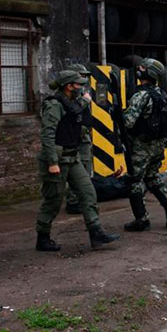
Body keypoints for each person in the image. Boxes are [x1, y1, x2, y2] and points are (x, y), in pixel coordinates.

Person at [35, 70, 120, 251]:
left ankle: (96, 233)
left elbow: (77, 117)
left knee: (88, 193)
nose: (82, 87)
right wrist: (52, 162)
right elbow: (47, 135)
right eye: (79, 84)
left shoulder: (74, 103)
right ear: (69, 86)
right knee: (53, 201)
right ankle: (43, 236)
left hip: (73, 157)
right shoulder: (54, 105)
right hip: (58, 159)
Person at [122, 58, 167, 232]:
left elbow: (128, 122)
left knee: (134, 180)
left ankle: (141, 219)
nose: (139, 69)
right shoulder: (161, 94)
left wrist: (118, 114)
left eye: (143, 68)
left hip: (143, 145)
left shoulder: (141, 95)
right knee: (152, 177)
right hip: (158, 144)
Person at [64, 64, 93, 215]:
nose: (84, 79)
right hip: (72, 138)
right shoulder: (68, 96)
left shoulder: (82, 93)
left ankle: (81, 200)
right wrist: (84, 101)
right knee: (74, 170)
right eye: (81, 76)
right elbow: (71, 112)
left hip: (83, 136)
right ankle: (73, 201)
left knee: (85, 168)